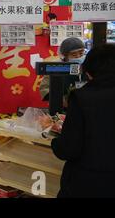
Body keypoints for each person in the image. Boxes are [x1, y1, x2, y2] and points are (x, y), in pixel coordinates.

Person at [51, 44, 115, 198]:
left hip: (89, 182)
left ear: (89, 71)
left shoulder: (83, 98)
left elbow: (69, 148)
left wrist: (54, 142)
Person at [39, 37, 87, 103]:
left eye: (81, 53)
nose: (78, 56)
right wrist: (60, 100)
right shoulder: (56, 67)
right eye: (73, 54)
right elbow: (45, 89)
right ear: (64, 56)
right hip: (62, 108)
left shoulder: (88, 65)